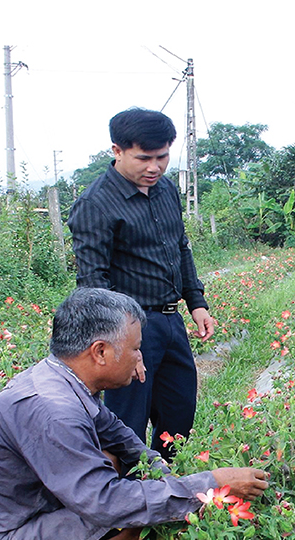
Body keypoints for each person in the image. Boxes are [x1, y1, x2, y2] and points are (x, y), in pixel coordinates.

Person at [0, 287, 271, 540]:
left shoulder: (59, 377)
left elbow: (118, 435)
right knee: (137, 518)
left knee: (116, 463)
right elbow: (108, 504)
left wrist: (165, 474)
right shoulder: (54, 410)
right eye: (136, 349)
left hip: (8, 520)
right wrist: (210, 485)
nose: (142, 359)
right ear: (100, 352)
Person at [68, 108, 213, 459]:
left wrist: (196, 302)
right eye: (143, 158)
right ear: (117, 151)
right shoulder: (96, 204)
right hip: (129, 326)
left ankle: (162, 484)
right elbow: (92, 285)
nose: (154, 167)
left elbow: (180, 246)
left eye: (162, 157)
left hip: (170, 320)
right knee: (126, 421)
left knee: (178, 410)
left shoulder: (164, 190)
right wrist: (122, 346)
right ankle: (122, 497)